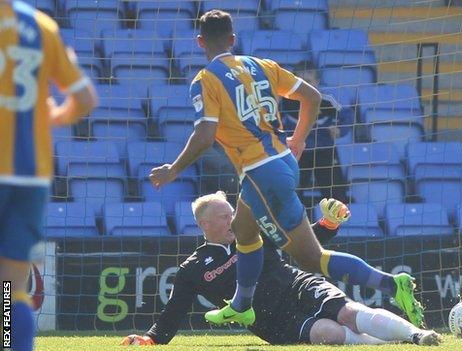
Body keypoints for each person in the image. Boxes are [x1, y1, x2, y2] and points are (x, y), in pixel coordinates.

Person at [148, 9, 423, 329]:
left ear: (199, 43)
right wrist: (300, 138)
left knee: (311, 258)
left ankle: (391, 284)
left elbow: (205, 134)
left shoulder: (205, 80)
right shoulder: (261, 66)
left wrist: (174, 169)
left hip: (261, 171)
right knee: (244, 230)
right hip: (280, 163)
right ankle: (241, 305)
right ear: (233, 39)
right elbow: (313, 96)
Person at [121, 193, 441, 346]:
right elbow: (174, 310)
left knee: (348, 313)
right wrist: (152, 338)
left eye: (232, 212)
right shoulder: (191, 268)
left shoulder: (253, 234)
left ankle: (417, 335)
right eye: (223, 216)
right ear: (204, 224)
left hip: (297, 284)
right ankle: (390, 345)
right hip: (270, 319)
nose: (231, 219)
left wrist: (328, 223)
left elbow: (300, 242)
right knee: (327, 334)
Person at [0, 1, 98, 350]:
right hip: (30, 173)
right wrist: (56, 115)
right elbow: (85, 98)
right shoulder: (42, 27)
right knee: (11, 286)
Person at [281, 61, 350, 204]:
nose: (305, 86)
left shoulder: (327, 101)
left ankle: (334, 223)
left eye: (309, 81)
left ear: (317, 82)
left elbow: (347, 117)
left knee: (336, 194)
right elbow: (275, 122)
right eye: (301, 81)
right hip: (297, 151)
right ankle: (296, 223)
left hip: (324, 150)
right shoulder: (285, 102)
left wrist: (339, 130)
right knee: (291, 192)